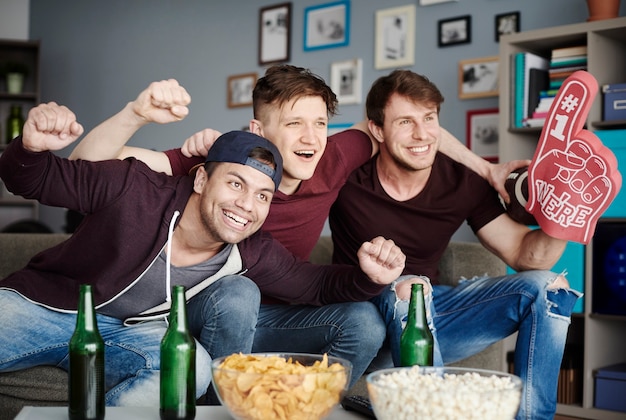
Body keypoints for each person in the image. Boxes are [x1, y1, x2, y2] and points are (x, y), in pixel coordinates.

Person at [68, 65, 527, 382]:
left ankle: (309, 402)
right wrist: (138, 114)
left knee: (367, 324)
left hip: (286, 310)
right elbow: (87, 167)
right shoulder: (226, 160)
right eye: (294, 125)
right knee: (240, 293)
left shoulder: (336, 152)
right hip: (213, 308)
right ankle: (224, 400)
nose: (311, 139)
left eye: (320, 124)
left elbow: (415, 127)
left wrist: (487, 170)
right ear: (258, 131)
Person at [0, 102, 406, 405]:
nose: (247, 205)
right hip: (43, 310)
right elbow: (37, 181)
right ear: (200, 180)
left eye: (262, 195)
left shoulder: (251, 249)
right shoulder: (134, 188)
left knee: (190, 368)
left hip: (129, 335)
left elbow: (314, 285)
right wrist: (30, 147)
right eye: (235, 184)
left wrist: (368, 275)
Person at [327, 70, 582, 420]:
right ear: (377, 130)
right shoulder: (348, 175)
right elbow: (309, 150)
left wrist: (566, 218)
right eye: (404, 122)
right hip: (366, 317)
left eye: (429, 118)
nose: (422, 134)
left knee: (552, 287)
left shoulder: (462, 181)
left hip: (432, 317)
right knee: (411, 289)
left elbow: (526, 256)